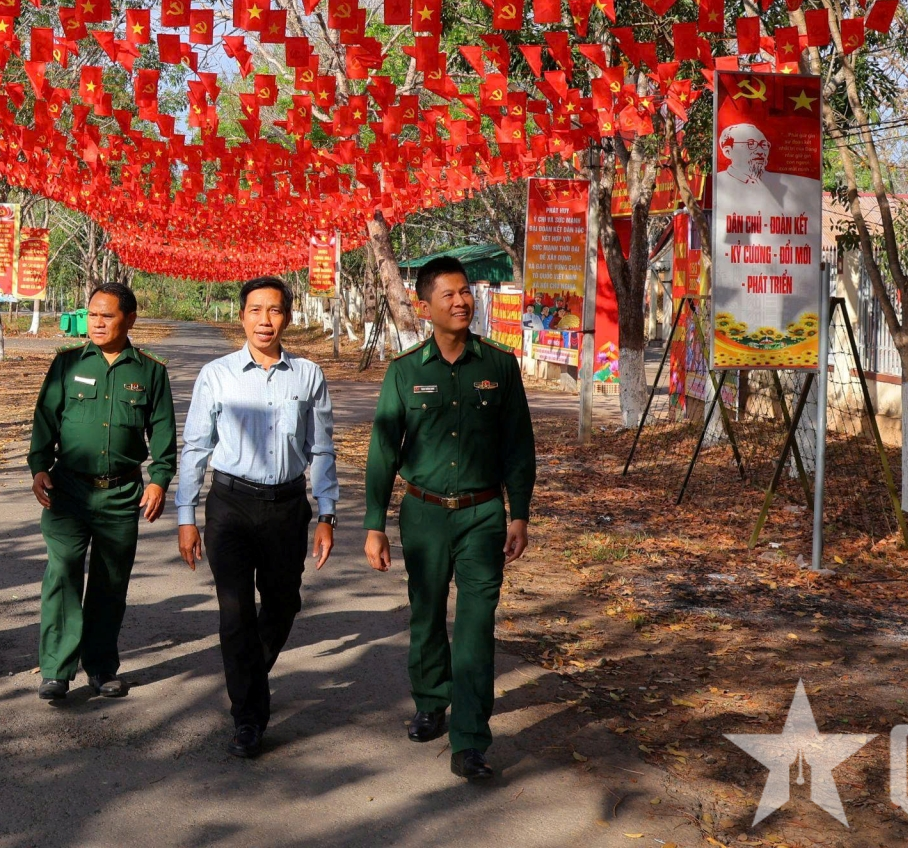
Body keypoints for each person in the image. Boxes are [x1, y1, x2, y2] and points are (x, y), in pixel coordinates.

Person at [362, 254, 536, 782]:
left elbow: (519, 445)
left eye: (466, 293)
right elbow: (383, 450)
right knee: (427, 612)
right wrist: (374, 523)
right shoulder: (405, 371)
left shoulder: (499, 366)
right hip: (424, 514)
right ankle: (431, 700)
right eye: (449, 295)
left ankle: (471, 740)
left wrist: (520, 513)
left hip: (483, 514)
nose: (462, 302)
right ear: (425, 307)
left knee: (477, 626)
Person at [176, 276, 337, 759]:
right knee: (236, 613)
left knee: (283, 603)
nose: (265, 320)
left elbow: (321, 448)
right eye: (255, 310)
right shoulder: (217, 374)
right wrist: (186, 515)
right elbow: (196, 446)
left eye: (275, 310)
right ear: (241, 315)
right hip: (230, 506)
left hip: (287, 507)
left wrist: (327, 513)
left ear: (288, 316)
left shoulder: (308, 375)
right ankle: (248, 718)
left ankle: (248, 677)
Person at [27, 281, 175, 702]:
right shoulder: (67, 364)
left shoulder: (150, 372)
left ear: (130, 319)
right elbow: (45, 420)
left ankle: (101, 666)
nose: (97, 322)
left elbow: (163, 433)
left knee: (110, 582)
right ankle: (56, 670)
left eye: (107, 316)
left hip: (121, 493)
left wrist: (159, 480)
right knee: (62, 572)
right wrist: (39, 468)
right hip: (68, 490)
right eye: (92, 314)